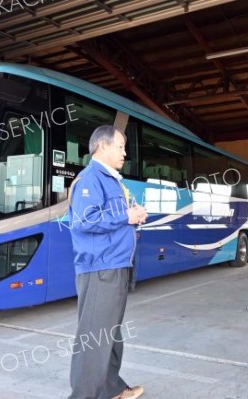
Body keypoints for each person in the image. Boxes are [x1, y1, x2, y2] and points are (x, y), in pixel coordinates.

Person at [67, 125, 147, 399]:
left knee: (109, 335)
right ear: (102, 146)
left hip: (115, 265)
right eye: (121, 146)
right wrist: (126, 217)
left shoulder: (113, 180)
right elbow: (84, 220)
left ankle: (111, 390)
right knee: (94, 339)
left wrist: (134, 213)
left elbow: (115, 215)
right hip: (100, 268)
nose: (125, 153)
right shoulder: (91, 179)